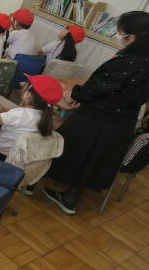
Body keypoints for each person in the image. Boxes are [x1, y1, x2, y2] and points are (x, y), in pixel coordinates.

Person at [44, 11, 149, 215]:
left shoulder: (128, 61)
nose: (118, 36)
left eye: (120, 32)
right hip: (123, 122)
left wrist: (76, 94)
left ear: (132, 38)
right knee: (94, 159)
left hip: (99, 120)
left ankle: (57, 189)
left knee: (76, 149)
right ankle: (72, 195)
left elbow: (98, 87)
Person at [0, 74, 61, 161]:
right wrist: (4, 109)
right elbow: (21, 114)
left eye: (26, 84)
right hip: (9, 155)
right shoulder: (44, 116)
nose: (22, 84)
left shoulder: (19, 115)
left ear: (28, 94)